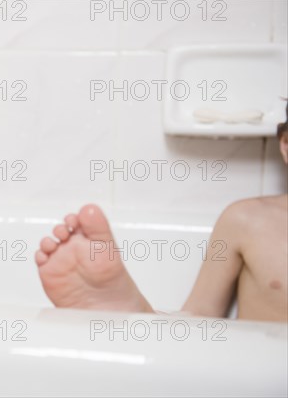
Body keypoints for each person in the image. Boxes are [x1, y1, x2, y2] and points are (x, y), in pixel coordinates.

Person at [35, 103, 288, 322]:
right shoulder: (248, 221)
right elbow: (200, 316)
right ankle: (135, 316)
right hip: (250, 374)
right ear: (286, 145)